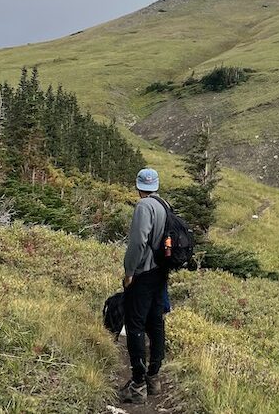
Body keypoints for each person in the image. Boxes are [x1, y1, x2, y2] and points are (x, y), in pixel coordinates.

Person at [118, 168, 168, 404]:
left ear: (138, 186)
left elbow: (138, 242)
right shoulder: (165, 205)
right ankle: (153, 379)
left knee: (135, 324)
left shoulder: (143, 206)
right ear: (156, 185)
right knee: (156, 322)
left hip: (144, 274)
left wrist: (129, 272)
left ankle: (137, 385)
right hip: (161, 273)